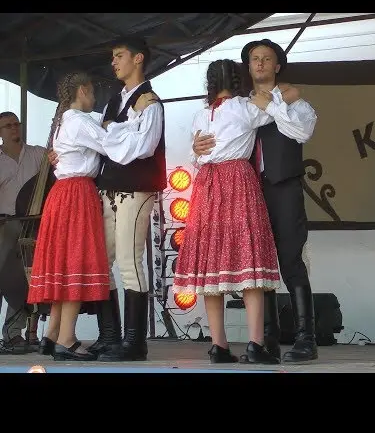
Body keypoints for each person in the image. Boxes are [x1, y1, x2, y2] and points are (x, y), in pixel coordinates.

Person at [193, 39, 318, 362]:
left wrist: (278, 102)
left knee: (290, 258)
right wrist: (198, 149)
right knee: (255, 263)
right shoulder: (239, 106)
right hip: (245, 191)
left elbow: (301, 133)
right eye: (254, 58)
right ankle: (266, 339)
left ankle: (306, 338)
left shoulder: (291, 102)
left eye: (266, 58)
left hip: (282, 186)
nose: (260, 63)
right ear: (247, 67)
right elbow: (210, 145)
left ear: (277, 65)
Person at [48, 36, 165, 362]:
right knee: (102, 264)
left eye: (119, 55)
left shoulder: (150, 102)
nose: (113, 62)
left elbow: (143, 147)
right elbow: (90, 140)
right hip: (109, 191)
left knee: (129, 261)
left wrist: (112, 131)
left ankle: (134, 342)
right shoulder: (115, 102)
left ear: (138, 58)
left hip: (135, 188)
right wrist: (64, 155)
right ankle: (110, 335)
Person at [28, 71, 150, 360]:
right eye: (92, 92)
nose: (94, 98)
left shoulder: (62, 124)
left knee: (64, 263)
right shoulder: (80, 121)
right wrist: (134, 126)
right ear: (82, 90)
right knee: (75, 263)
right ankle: (67, 340)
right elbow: (112, 145)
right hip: (76, 194)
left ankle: (52, 334)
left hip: (61, 193)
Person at [173, 59, 286, 364]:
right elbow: (277, 107)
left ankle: (218, 345)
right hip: (237, 179)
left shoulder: (200, 115)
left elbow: (196, 155)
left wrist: (197, 151)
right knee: (249, 262)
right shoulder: (243, 107)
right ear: (238, 79)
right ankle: (255, 344)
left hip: (207, 186)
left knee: (212, 268)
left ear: (209, 83)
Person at [0, 111, 46, 354]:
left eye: (16, 124)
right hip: (3, 223)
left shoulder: (38, 154)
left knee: (22, 282)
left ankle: (13, 334)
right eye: (8, 126)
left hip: (31, 224)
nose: (14, 129)